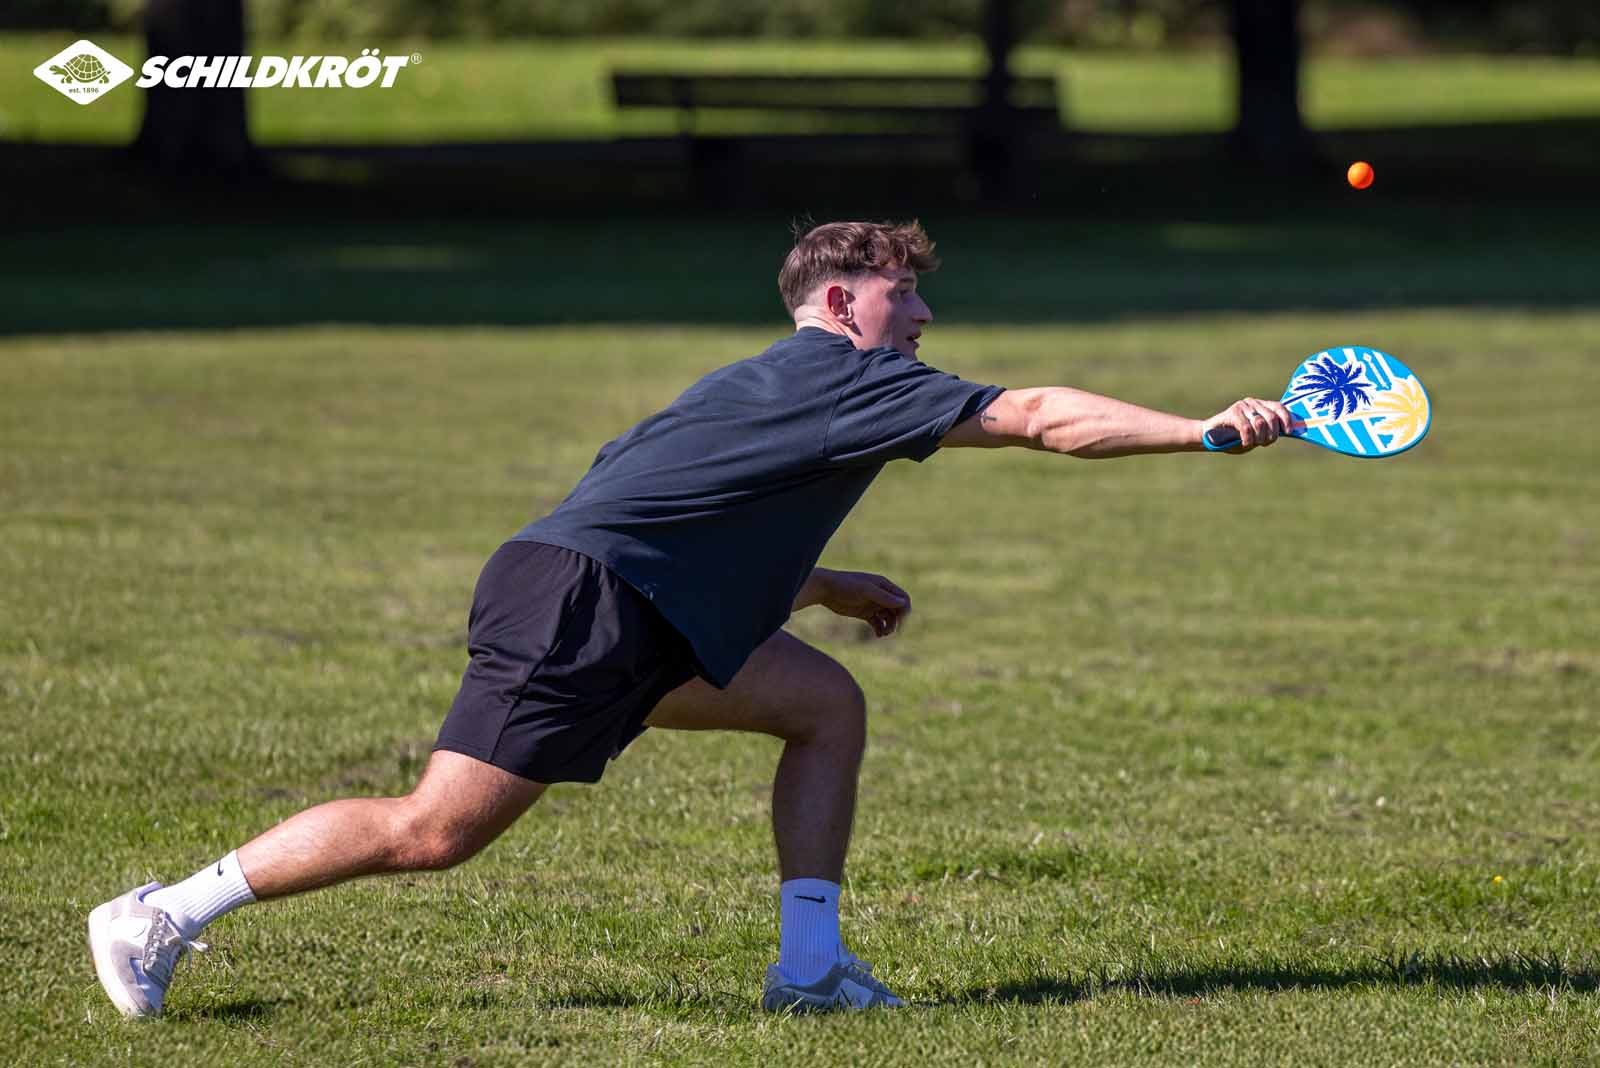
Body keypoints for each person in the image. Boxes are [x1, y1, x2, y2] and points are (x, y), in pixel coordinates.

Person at [88, 220, 1296, 1017]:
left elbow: (679, 503)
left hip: (621, 597)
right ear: (840, 301)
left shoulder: (765, 384)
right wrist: (1203, 428)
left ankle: (810, 973)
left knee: (822, 704)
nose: (922, 320)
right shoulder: (846, 375)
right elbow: (1037, 414)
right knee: (434, 831)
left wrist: (823, 586)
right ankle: (160, 913)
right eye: (903, 298)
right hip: (588, 608)